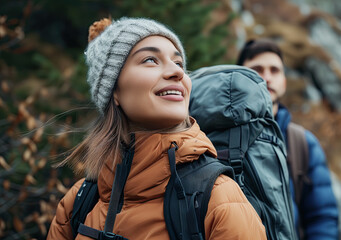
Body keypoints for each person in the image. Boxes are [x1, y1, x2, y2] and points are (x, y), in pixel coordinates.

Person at [47, 17, 266, 240]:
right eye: (151, 60)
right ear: (113, 91)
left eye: (179, 63)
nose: (178, 73)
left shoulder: (219, 200)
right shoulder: (79, 201)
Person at [237, 39, 339, 240]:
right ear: (238, 77)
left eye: (275, 70)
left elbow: (322, 217)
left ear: (284, 80)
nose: (267, 78)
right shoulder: (219, 135)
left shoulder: (303, 143)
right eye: (257, 69)